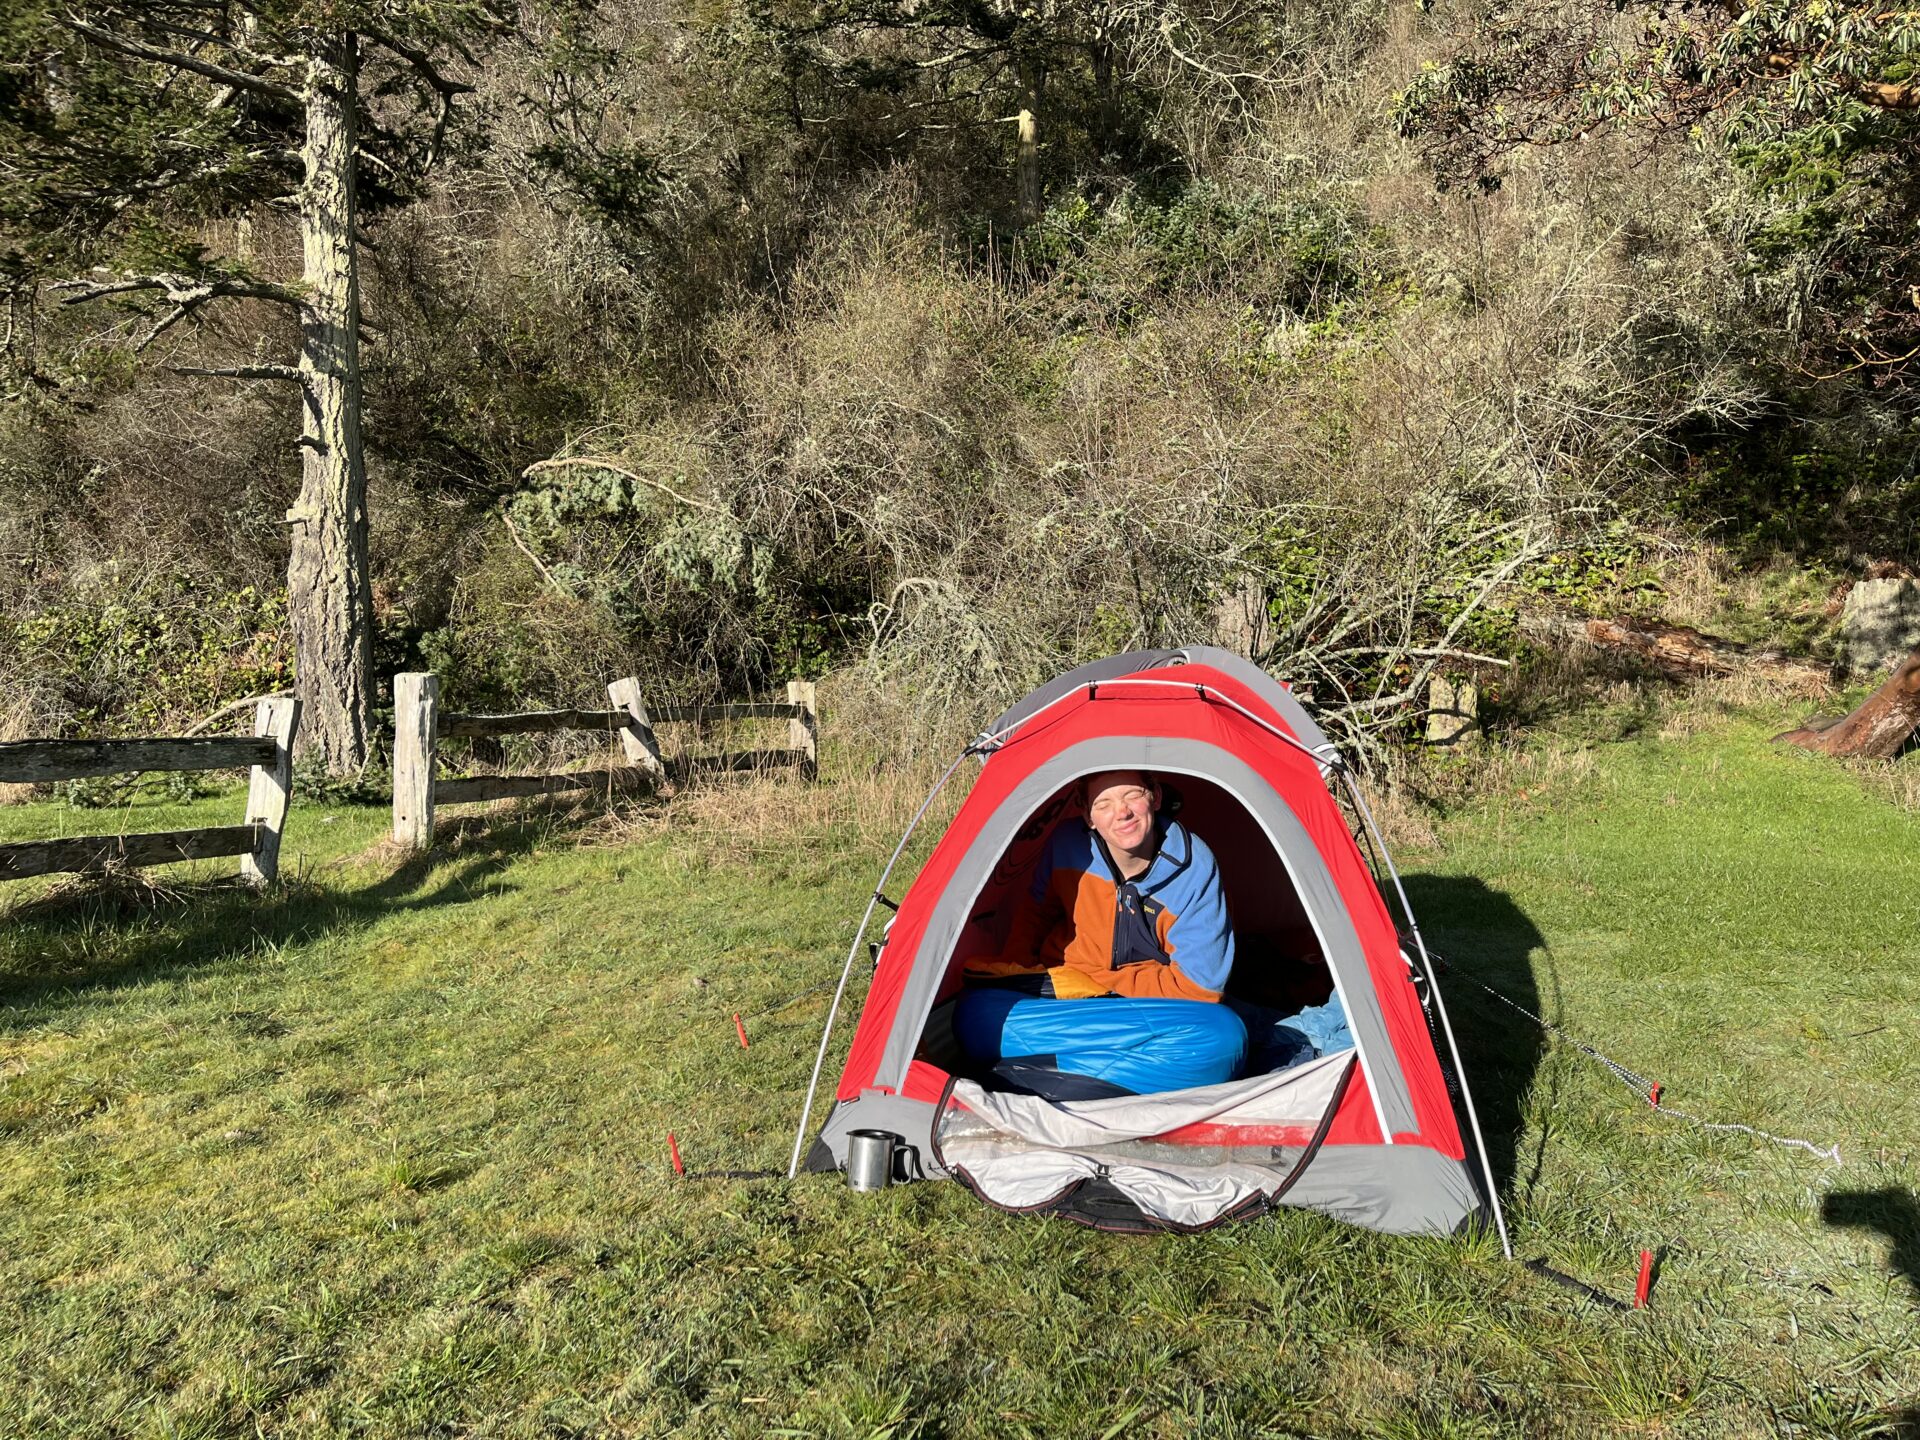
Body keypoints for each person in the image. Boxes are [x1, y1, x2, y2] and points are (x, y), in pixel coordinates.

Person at [954, 769, 1247, 1097]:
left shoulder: (1195, 868)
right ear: (1088, 816)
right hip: (1060, 1001)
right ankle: (1089, 1077)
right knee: (974, 1015)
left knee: (1223, 1038)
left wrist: (1097, 983)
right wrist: (1016, 974)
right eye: (1103, 803)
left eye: (1131, 795)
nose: (1121, 813)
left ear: (1155, 797)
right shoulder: (1066, 845)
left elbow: (1200, 989)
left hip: (1145, 1011)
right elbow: (1033, 916)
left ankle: (1017, 1079)